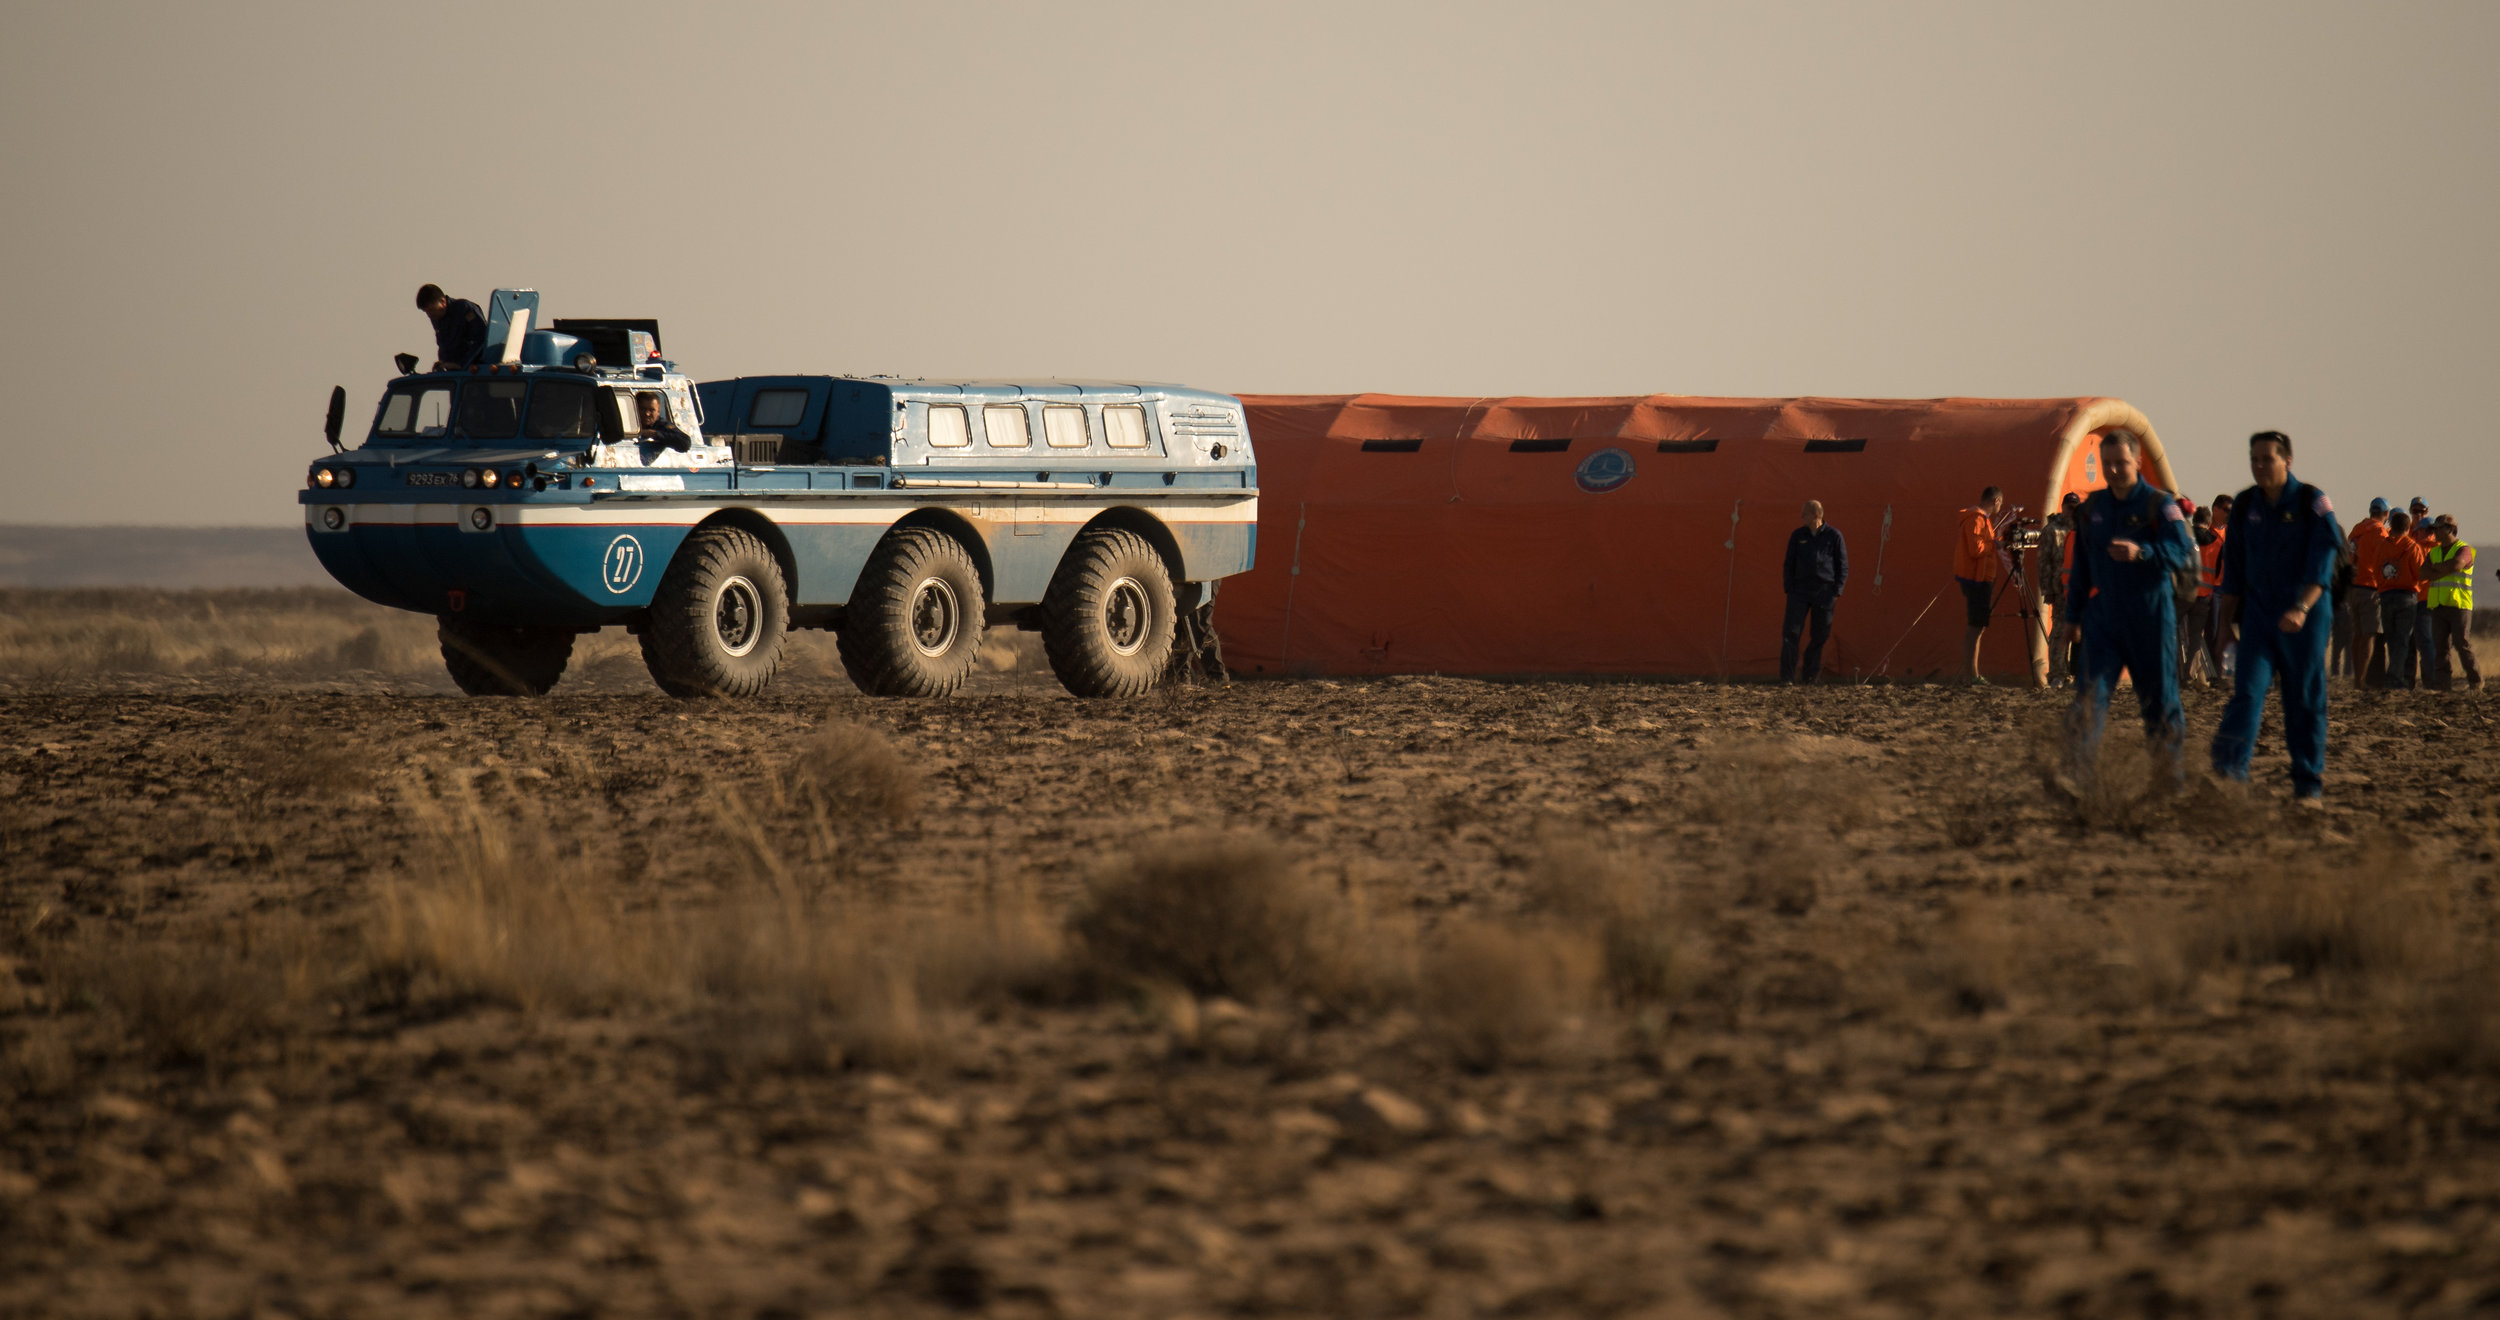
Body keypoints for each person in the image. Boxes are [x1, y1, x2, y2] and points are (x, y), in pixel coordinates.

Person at [2212, 430, 2343, 804]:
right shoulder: (2244, 505)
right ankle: (2229, 776)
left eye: (2267, 459)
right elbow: (2233, 570)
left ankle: (2307, 785)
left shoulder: (2311, 502)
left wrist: (2301, 609)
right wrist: (2224, 629)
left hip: (2305, 615)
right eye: (2254, 459)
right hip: (2258, 615)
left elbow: (2323, 563)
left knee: (2303, 699)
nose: (2259, 466)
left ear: (2287, 460)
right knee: (2247, 692)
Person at [2067, 432, 2197, 785]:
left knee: (2159, 701)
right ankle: (2078, 776)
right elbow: (2080, 565)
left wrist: (2143, 553)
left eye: (2120, 463)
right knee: (2088, 698)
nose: (2112, 470)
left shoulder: (2160, 505)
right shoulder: (2092, 508)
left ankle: (2168, 779)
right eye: (2106, 463)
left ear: (2138, 462)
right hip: (2104, 617)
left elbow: (2180, 550)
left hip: (2150, 614)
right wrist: (2073, 616)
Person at [1779, 500, 1847, 684]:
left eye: (1805, 514)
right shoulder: (1797, 536)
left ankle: (1809, 676)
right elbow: (1789, 563)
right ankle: (1787, 677)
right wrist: (1789, 587)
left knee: (1820, 635)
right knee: (1791, 633)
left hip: (1824, 591)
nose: (1802, 517)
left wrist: (1836, 590)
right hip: (1799, 591)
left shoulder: (1834, 536)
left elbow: (1842, 565)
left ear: (1816, 515)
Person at [1953, 485, 2011, 683]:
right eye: (2000, 504)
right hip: (1976, 580)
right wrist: (1994, 545)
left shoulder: (1982, 521)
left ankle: (1973, 673)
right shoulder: (1976, 519)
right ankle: (1970, 674)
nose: (1999, 508)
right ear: (1996, 501)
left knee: (1979, 626)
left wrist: (1997, 543)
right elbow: (1976, 549)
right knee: (1975, 626)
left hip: (1983, 578)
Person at [2422, 515, 2481, 691]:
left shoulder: (2464, 549)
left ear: (2449, 529)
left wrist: (2438, 569)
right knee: (2440, 647)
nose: (2435, 533)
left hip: (2459, 605)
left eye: (2438, 529)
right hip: (2439, 605)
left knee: (2462, 643)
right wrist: (2444, 569)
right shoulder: (2434, 552)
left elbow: (2457, 564)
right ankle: (2443, 685)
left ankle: (2475, 681)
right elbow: (2423, 572)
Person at [2373, 510, 2424, 689]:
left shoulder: (2381, 546)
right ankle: (2395, 676)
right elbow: (2421, 575)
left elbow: (2375, 569)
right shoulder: (2412, 547)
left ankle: (2393, 674)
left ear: (2391, 526)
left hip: (2386, 596)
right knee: (2402, 639)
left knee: (2391, 638)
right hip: (2406, 598)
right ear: (2407, 527)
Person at [2346, 498, 2390, 684]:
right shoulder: (2381, 533)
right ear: (2386, 514)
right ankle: (2361, 680)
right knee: (2369, 635)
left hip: (2352, 587)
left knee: (2357, 635)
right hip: (2371, 588)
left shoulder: (2357, 530)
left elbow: (2348, 557)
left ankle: (2357, 677)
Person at [2041, 492, 2084, 687]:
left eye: (2075, 508)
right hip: (2059, 589)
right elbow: (2043, 561)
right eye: (2069, 507)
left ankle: (2070, 673)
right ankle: (2057, 673)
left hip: (2078, 590)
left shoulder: (2081, 530)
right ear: (2063, 507)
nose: (2071, 511)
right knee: (2059, 630)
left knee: (2076, 631)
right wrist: (2047, 588)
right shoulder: (2052, 530)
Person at [2181, 505, 2221, 688]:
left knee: (2176, 635)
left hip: (2184, 594)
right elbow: (2220, 572)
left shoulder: (2185, 538)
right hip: (2205, 595)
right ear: (2208, 521)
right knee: (2197, 636)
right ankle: (2189, 675)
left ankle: (2174, 673)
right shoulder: (2218, 543)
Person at [2405, 497, 2437, 687]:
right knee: (2409, 642)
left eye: (2421, 511)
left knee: (2426, 641)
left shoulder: (2437, 547)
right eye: (2415, 511)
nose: (2418, 515)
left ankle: (2430, 681)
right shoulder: (2408, 539)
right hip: (2410, 598)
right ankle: (2408, 680)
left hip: (2427, 600)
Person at [417, 283, 487, 369]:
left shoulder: (464, 309)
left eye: (431, 310)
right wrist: (443, 363)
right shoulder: (437, 316)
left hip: (474, 370)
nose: (429, 315)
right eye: (426, 312)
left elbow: (482, 339)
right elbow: (443, 345)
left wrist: (461, 365)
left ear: (443, 302)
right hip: (453, 372)